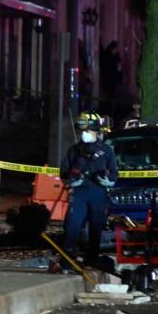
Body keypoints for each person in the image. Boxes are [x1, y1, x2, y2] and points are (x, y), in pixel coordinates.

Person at [60, 111, 119, 265]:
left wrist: (107, 181)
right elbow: (64, 172)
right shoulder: (74, 150)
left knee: (96, 228)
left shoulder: (106, 151)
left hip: (98, 193)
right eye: (83, 131)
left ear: (95, 131)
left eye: (87, 131)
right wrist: (71, 181)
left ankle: (92, 259)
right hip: (79, 194)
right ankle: (67, 260)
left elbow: (114, 174)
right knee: (72, 225)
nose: (84, 134)